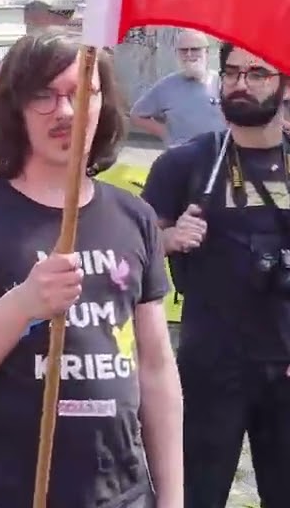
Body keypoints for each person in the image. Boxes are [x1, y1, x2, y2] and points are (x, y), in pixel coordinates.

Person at [0, 30, 183, 508]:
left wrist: (173, 498)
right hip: (8, 491)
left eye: (82, 92)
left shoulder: (134, 216)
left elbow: (156, 368)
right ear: (15, 107)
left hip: (121, 492)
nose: (65, 111)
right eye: (44, 95)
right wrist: (24, 303)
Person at [141, 42, 290, 507]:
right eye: (231, 73)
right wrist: (168, 239)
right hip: (210, 365)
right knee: (193, 496)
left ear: (284, 84)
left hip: (286, 364)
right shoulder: (185, 164)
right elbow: (127, 252)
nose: (240, 83)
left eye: (257, 73)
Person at [130, 28, 225, 148]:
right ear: (177, 53)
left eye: (195, 49)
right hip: (181, 158)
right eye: (184, 50)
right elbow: (136, 115)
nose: (189, 54)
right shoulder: (166, 86)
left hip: (219, 156)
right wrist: (165, 133)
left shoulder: (222, 83)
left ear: (206, 52)